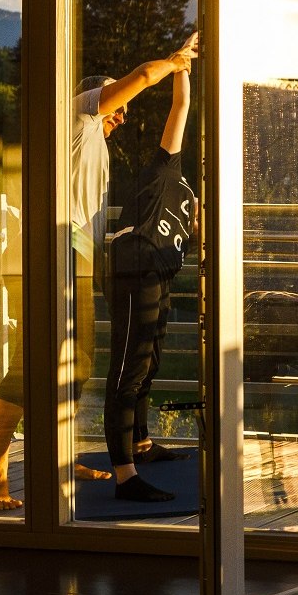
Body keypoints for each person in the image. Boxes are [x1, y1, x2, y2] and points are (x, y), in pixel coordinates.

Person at [0, 33, 199, 510]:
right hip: (55, 249)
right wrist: (175, 60)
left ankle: (54, 453)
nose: (122, 116)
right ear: (97, 96)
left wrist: (182, 73)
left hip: (78, 254)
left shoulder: (95, 143)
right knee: (37, 359)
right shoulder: (78, 114)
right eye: (117, 107)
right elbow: (138, 79)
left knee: (78, 363)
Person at [101, 58, 197, 501]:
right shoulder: (166, 171)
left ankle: (140, 444)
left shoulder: (191, 203)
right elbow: (180, 108)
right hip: (135, 266)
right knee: (128, 368)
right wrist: (182, 64)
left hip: (157, 272)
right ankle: (125, 477)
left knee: (149, 361)